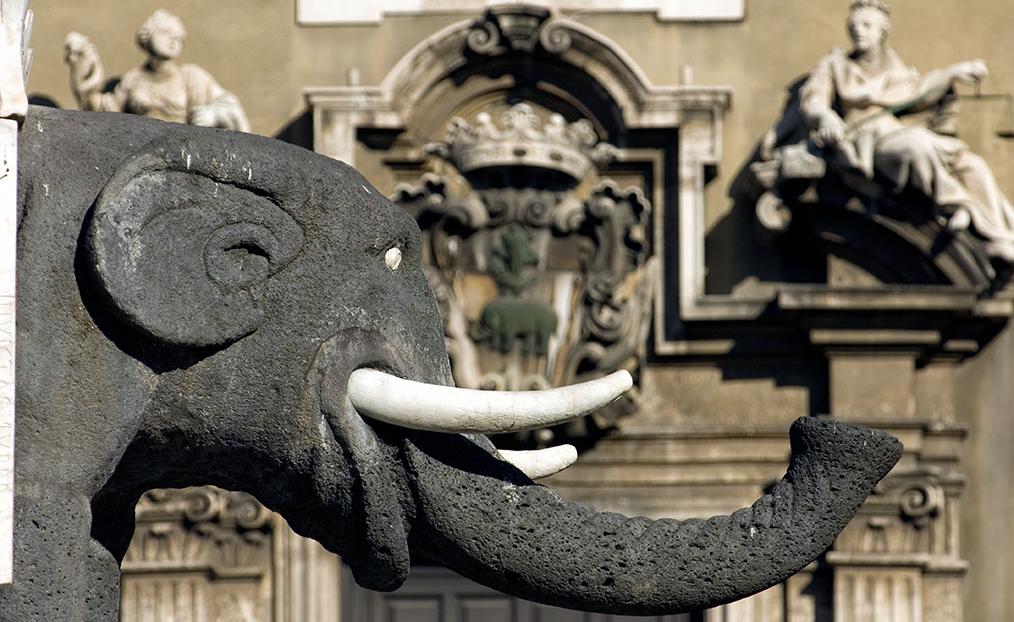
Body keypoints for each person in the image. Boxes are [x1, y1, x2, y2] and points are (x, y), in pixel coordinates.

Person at [800, 0, 1014, 261]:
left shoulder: (898, 72)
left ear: (883, 31)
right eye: (854, 26)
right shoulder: (835, 65)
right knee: (916, 147)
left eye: (867, 25)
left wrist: (953, 73)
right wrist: (825, 117)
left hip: (895, 132)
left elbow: (920, 93)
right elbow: (812, 102)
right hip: (864, 141)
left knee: (972, 164)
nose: (859, 31)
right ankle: (957, 204)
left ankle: (1001, 238)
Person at [64, 10, 249, 132]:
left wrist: (213, 114)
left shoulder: (192, 77)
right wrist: (84, 65)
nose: (173, 40)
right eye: (166, 33)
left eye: (178, 37)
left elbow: (228, 103)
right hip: (141, 150)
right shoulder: (134, 79)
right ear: (148, 36)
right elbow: (104, 111)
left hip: (184, 152)